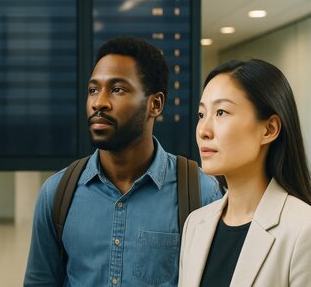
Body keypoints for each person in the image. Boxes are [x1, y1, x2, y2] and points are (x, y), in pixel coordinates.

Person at [24, 36, 222, 286]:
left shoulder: (201, 194)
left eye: (117, 89)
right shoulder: (57, 193)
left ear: (155, 104)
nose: (99, 102)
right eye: (93, 90)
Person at [179, 59, 311, 286]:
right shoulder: (195, 224)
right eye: (201, 115)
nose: (203, 131)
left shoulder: (302, 229)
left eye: (221, 112)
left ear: (269, 129)